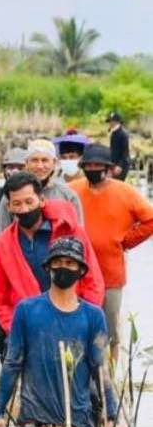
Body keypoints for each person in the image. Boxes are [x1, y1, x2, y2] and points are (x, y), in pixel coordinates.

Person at [0, 237, 119, 427]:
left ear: (81, 270)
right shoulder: (26, 310)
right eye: (58, 262)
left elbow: (100, 369)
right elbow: (12, 364)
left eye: (70, 263)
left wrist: (111, 415)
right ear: (48, 267)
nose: (63, 267)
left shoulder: (94, 316)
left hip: (76, 423)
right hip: (33, 422)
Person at [0, 171, 104, 337]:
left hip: (74, 324)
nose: (24, 209)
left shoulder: (71, 232)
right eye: (17, 204)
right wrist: (16, 330)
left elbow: (92, 281)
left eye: (29, 202)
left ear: (41, 200)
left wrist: (84, 321)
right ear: (9, 207)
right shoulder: (0, 246)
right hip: (28, 330)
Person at [69, 143, 153, 352]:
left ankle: (111, 370)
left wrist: (126, 241)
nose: (93, 169)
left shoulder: (125, 191)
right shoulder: (72, 190)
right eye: (89, 165)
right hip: (76, 271)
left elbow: (150, 220)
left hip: (110, 273)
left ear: (108, 168)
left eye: (98, 165)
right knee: (77, 328)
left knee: (111, 330)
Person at [0, 139, 83, 233]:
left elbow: (78, 234)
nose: (40, 166)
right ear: (26, 163)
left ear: (54, 163)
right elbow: (2, 234)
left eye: (45, 160)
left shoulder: (68, 196)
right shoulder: (13, 195)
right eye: (34, 160)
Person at [107, 111, 130, 181]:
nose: (110, 123)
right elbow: (113, 150)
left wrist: (120, 166)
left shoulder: (123, 134)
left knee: (118, 184)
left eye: (112, 121)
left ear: (117, 122)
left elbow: (125, 152)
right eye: (109, 121)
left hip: (121, 166)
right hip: (113, 165)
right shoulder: (113, 133)